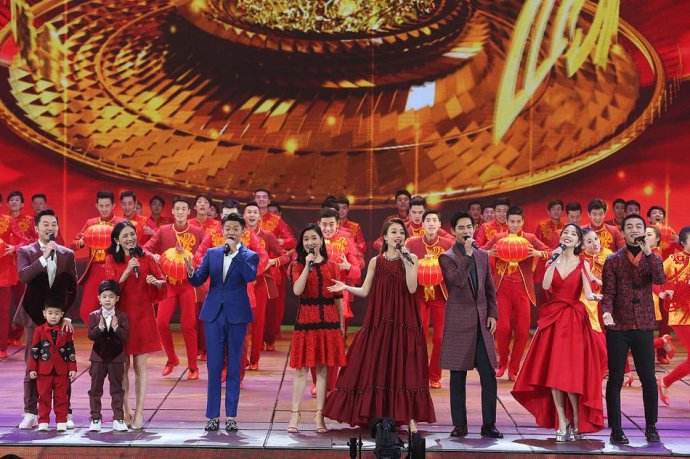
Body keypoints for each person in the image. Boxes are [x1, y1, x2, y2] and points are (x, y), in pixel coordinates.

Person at [324, 219, 435, 432]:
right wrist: (345, 286)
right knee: (378, 362)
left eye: (401, 232)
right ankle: (377, 411)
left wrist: (407, 262)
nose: (398, 235)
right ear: (385, 237)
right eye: (393, 232)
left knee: (406, 364)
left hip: (405, 320)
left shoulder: (412, 258)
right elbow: (365, 290)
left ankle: (409, 415)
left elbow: (412, 288)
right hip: (380, 319)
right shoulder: (376, 261)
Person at [512, 224, 607, 441]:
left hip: (574, 321)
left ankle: (576, 418)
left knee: (571, 373)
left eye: (573, 234)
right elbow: (546, 286)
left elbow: (588, 293)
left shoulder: (582, 264)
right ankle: (562, 421)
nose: (568, 236)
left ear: (578, 241)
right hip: (553, 320)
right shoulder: (552, 261)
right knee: (554, 373)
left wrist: (602, 297)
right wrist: (553, 260)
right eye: (566, 233)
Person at [187, 213, 259, 432]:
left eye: (236, 228)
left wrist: (236, 253)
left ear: (242, 232)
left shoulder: (250, 255)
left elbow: (250, 277)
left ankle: (231, 416)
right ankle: (212, 416)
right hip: (214, 314)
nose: (231, 232)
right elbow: (198, 279)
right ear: (222, 230)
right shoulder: (212, 253)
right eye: (228, 228)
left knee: (235, 364)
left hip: (237, 314)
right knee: (214, 365)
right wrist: (190, 270)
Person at [601, 214, 665, 444]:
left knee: (648, 377)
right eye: (629, 226)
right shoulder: (613, 260)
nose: (634, 230)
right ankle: (616, 430)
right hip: (619, 325)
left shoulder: (652, 257)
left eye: (639, 226)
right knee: (616, 378)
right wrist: (606, 312)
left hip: (643, 324)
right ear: (623, 232)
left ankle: (651, 427)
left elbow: (660, 278)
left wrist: (648, 252)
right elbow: (608, 292)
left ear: (644, 231)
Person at [439, 212, 502, 438]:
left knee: (488, 375)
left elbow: (489, 288)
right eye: (461, 228)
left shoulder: (482, 255)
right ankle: (460, 426)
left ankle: (489, 425)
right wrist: (466, 256)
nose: (466, 231)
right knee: (457, 377)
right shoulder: (446, 257)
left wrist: (493, 313)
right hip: (459, 323)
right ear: (453, 231)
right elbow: (456, 281)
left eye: (469, 227)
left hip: (482, 323)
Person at [14, 209, 77, 430]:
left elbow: (72, 288)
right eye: (46, 224)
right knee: (32, 364)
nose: (50, 228)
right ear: (36, 228)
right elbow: (24, 276)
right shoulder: (26, 251)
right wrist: (43, 257)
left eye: (53, 224)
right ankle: (30, 412)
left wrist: (66, 315)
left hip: (59, 318)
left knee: (63, 366)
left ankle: (64, 413)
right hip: (34, 316)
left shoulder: (67, 254)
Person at [104, 221, 166, 429]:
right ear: (117, 240)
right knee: (122, 368)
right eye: (125, 236)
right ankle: (125, 410)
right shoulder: (111, 259)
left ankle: (139, 412)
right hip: (121, 319)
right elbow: (109, 291)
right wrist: (127, 271)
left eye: (132, 234)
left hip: (143, 318)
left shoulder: (146, 257)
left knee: (140, 367)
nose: (130, 239)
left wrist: (157, 284)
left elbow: (162, 285)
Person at [287, 224, 346, 433]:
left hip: (328, 321)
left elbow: (338, 298)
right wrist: (307, 266)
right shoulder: (297, 265)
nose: (310, 242)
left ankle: (319, 415)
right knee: (301, 370)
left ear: (321, 240)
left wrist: (341, 324)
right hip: (306, 321)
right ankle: (295, 414)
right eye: (306, 239)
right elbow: (297, 290)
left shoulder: (333, 266)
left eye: (314, 238)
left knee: (323, 370)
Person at [483, 206, 549, 379]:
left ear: (523, 222)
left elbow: (550, 252)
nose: (515, 225)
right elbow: (479, 251)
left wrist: (537, 253)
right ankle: (502, 363)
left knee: (522, 330)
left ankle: (514, 368)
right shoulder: (498, 238)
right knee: (502, 328)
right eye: (512, 221)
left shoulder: (530, 238)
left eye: (518, 222)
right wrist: (489, 252)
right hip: (502, 289)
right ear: (507, 222)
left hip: (523, 290)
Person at [143, 197, 206, 379]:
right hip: (168, 284)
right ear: (172, 211)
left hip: (188, 284)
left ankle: (193, 367)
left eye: (183, 209)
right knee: (161, 323)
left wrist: (194, 261)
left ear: (188, 212)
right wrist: (154, 256)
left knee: (188, 325)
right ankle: (172, 359)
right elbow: (145, 249)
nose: (180, 212)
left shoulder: (197, 232)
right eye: (177, 209)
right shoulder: (163, 231)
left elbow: (206, 252)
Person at [405, 209, 454, 389]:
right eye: (428, 221)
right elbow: (404, 265)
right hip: (419, 295)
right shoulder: (411, 243)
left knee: (440, 337)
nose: (431, 223)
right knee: (419, 334)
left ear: (439, 225)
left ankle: (435, 375)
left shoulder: (448, 244)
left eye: (434, 220)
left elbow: (457, 269)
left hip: (440, 295)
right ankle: (418, 373)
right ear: (423, 225)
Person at [73, 191, 124, 323]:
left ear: (113, 206)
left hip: (115, 269)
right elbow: (74, 243)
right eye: (101, 206)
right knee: (86, 310)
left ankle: (112, 332)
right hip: (95, 268)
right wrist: (81, 242)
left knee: (117, 307)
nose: (104, 209)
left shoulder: (121, 223)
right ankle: (99, 330)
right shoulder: (91, 223)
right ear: (96, 206)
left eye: (107, 205)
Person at [28, 294, 77, 432]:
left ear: (62, 314)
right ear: (44, 314)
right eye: (50, 313)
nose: (53, 316)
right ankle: (43, 421)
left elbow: (70, 349)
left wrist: (72, 368)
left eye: (56, 313)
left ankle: (61, 421)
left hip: (62, 371)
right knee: (44, 396)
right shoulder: (39, 330)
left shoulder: (66, 330)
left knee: (61, 397)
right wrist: (32, 368)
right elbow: (35, 350)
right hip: (44, 371)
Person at [87, 280, 129, 432]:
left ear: (117, 299)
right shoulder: (94, 316)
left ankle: (118, 418)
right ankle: (95, 418)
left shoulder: (122, 316)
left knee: (117, 389)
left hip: (116, 358)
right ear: (99, 298)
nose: (107, 300)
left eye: (111, 297)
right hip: (98, 357)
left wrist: (117, 328)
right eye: (104, 296)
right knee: (95, 389)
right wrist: (99, 328)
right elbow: (91, 336)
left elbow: (125, 336)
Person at [657, 226, 690, 406]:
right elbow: (658, 278)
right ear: (683, 243)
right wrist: (665, 291)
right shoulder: (673, 260)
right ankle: (665, 381)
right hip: (680, 313)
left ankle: (665, 381)